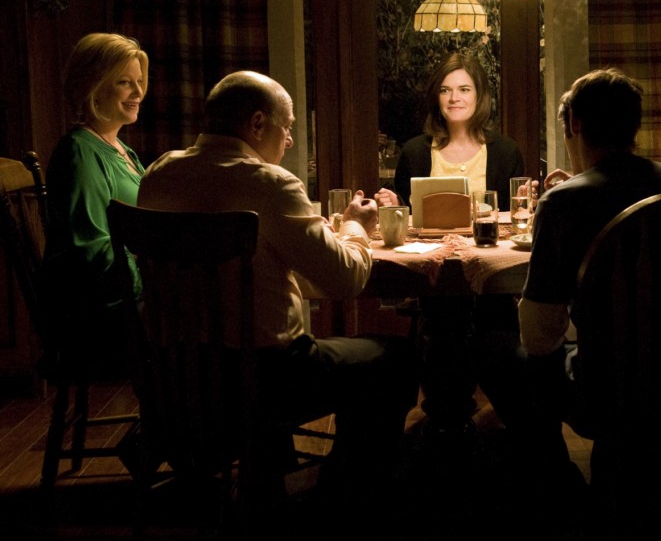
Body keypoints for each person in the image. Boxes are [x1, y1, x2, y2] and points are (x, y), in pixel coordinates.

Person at [137, 70, 418, 510]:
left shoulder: (159, 174)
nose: (288, 140)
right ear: (257, 124)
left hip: (173, 378)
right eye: (286, 128)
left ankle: (270, 476)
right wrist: (354, 227)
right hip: (265, 380)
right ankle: (348, 495)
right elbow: (345, 279)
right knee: (395, 358)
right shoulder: (270, 184)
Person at [472, 68, 661, 523]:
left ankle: (555, 478)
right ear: (634, 123)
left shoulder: (566, 201)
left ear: (574, 124)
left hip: (611, 389)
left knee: (493, 345)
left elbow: (540, 336)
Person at [42, 32, 148, 369]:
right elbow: (93, 248)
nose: (138, 92)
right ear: (93, 87)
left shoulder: (122, 150)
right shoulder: (79, 152)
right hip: (103, 315)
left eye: (139, 81)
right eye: (124, 82)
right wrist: (154, 284)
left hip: (128, 300)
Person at [375, 51, 524, 212]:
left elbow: (515, 216)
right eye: (444, 90)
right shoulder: (414, 153)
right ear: (436, 97)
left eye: (464, 89)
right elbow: (407, 214)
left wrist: (523, 204)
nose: (454, 98)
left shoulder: (507, 152)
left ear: (479, 95)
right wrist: (396, 205)